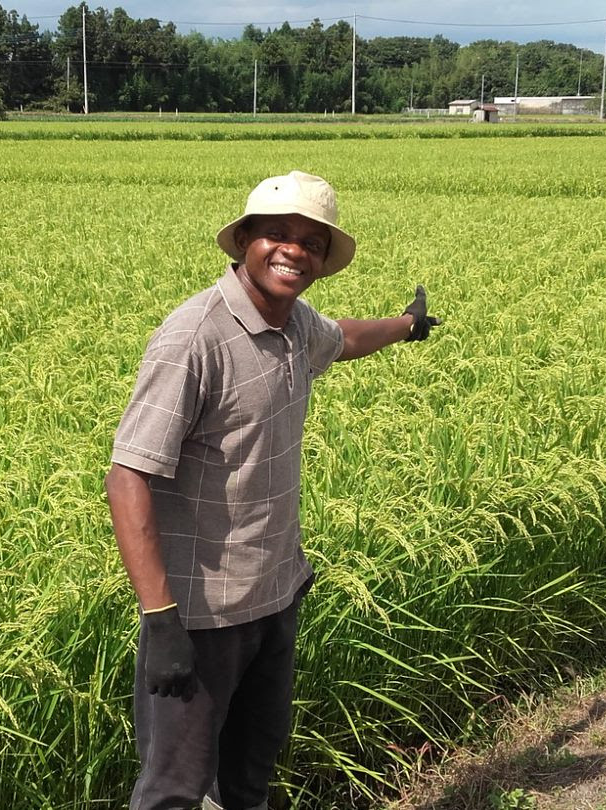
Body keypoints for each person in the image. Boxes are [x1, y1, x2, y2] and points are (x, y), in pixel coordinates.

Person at [105, 171, 441, 810]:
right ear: (245, 242)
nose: (294, 250)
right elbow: (127, 478)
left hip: (273, 594)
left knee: (250, 776)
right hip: (201, 617)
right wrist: (161, 620)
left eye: (312, 243)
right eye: (278, 235)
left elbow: (342, 339)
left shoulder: (294, 325)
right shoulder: (194, 340)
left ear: (322, 262)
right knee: (173, 792)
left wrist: (406, 324)